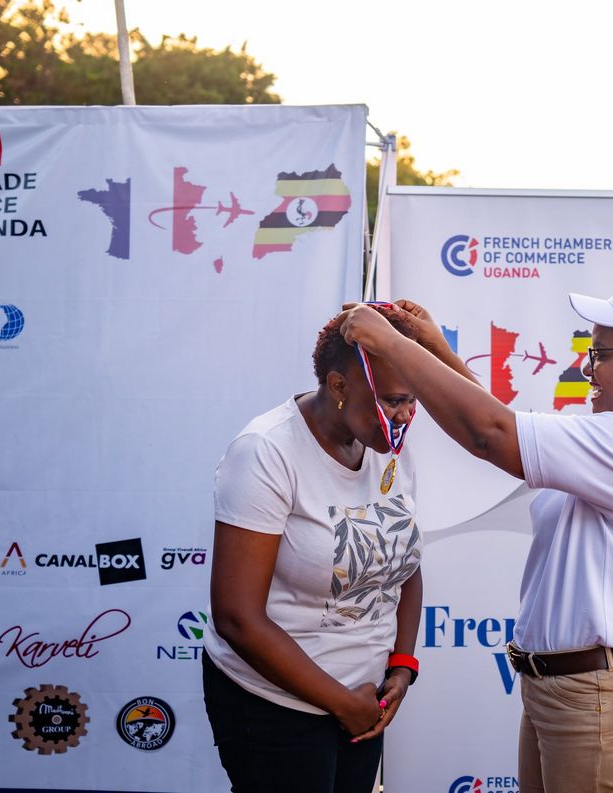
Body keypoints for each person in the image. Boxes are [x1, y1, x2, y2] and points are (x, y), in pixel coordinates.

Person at [339, 264, 613, 793]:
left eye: (600, 354)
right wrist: (433, 348)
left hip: (598, 698)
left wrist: (389, 342)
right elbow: (502, 425)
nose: (587, 368)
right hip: (572, 691)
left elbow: (490, 432)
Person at [201, 305, 471, 793]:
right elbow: (237, 617)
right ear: (339, 385)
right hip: (276, 705)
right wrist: (342, 704)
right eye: (394, 400)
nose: (406, 415)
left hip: (366, 701)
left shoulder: (386, 448)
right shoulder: (266, 451)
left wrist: (402, 665)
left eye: (413, 400)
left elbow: (403, 565)